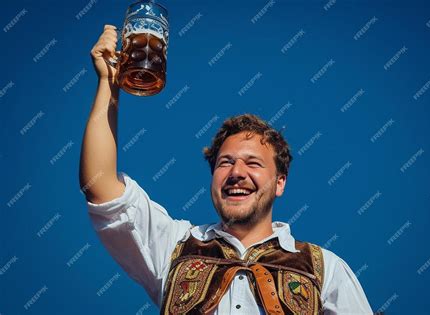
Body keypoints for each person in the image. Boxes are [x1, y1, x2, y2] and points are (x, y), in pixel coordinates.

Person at [80, 25, 374, 315]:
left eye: (253, 163)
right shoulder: (175, 245)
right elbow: (100, 185)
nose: (237, 172)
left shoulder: (325, 268)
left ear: (280, 182)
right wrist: (109, 83)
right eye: (225, 162)